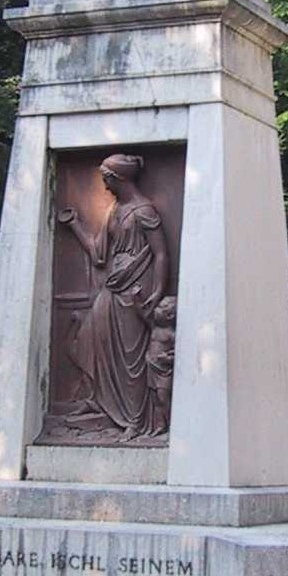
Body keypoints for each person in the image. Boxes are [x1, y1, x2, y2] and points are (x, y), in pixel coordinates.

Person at [59, 153, 170, 440]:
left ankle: (135, 421)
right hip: (113, 285)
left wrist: (157, 291)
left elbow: (160, 254)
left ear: (119, 179)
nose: (104, 186)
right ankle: (98, 399)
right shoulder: (114, 211)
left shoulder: (144, 211)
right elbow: (98, 254)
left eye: (107, 179)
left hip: (136, 288)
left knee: (132, 358)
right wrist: (74, 225)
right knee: (88, 336)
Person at [145, 295, 176, 435]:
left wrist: (168, 358)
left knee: (163, 398)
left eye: (161, 308)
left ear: (170, 316)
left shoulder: (171, 334)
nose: (156, 310)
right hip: (151, 367)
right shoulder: (154, 328)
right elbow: (142, 316)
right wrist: (136, 300)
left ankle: (172, 425)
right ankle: (159, 425)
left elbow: (178, 352)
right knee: (155, 399)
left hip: (163, 371)